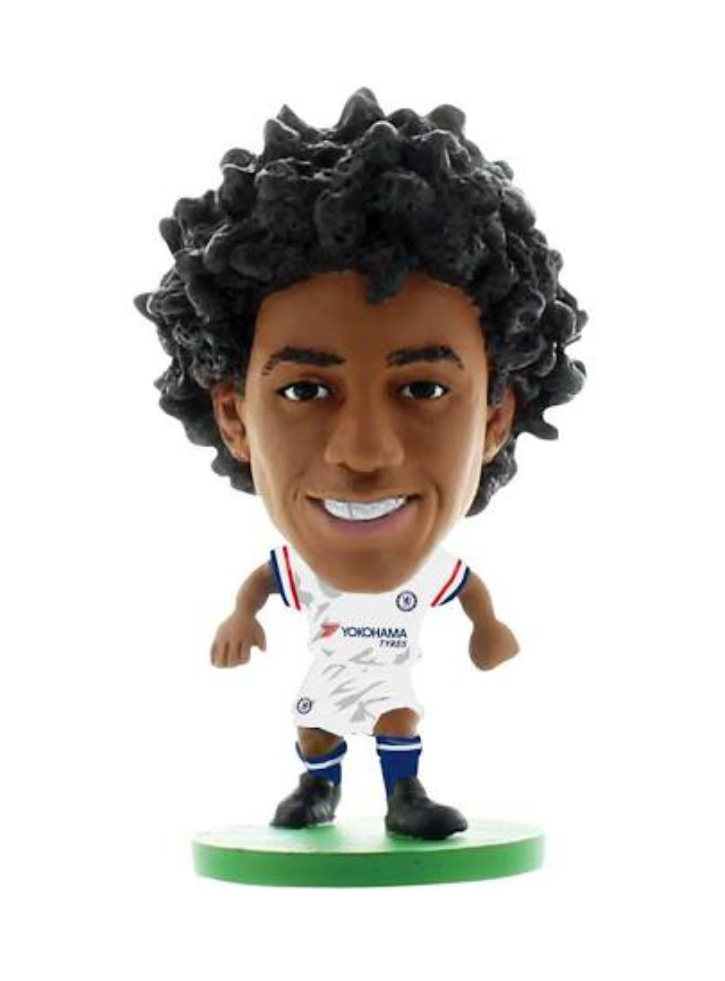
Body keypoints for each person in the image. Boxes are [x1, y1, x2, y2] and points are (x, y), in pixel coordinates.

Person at [135, 88, 587, 840]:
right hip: (326, 680)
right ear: (234, 417)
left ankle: (403, 793)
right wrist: (241, 615)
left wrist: (488, 627)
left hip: (390, 682)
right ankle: (319, 786)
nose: (365, 452)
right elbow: (264, 586)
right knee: (316, 724)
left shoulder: (431, 571)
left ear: (496, 418)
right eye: (304, 390)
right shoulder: (298, 571)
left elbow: (468, 594)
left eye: (424, 389)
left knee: (398, 713)